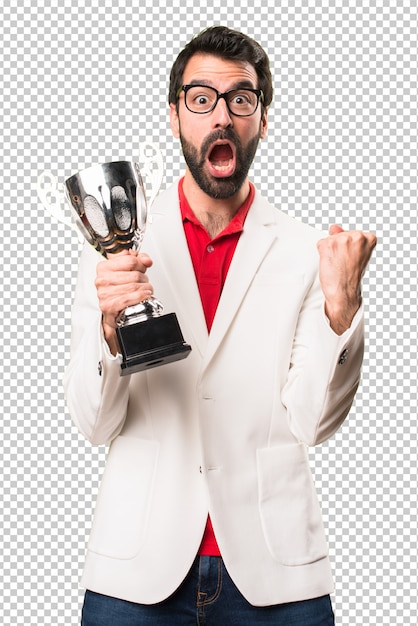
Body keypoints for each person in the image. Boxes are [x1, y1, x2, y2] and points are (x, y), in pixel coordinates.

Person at [64, 26, 376, 625]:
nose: (222, 116)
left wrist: (342, 313)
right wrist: (109, 334)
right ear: (177, 114)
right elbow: (92, 422)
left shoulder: (305, 250)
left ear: (262, 117)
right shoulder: (118, 246)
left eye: (242, 99)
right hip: (136, 572)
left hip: (273, 573)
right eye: (202, 98)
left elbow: (312, 424)